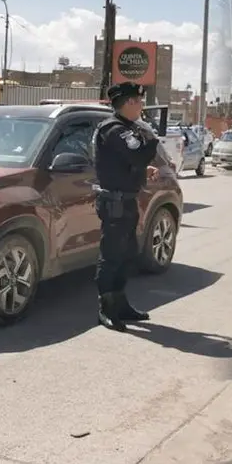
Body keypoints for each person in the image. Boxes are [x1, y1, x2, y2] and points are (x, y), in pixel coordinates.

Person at [91, 81, 162, 332]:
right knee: (111, 256)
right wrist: (152, 137)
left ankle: (121, 304)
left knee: (126, 254)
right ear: (129, 103)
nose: (142, 106)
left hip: (126, 200)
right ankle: (107, 309)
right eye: (139, 101)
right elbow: (136, 154)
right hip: (114, 202)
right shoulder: (113, 129)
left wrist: (145, 169)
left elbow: (125, 163)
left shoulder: (126, 128)